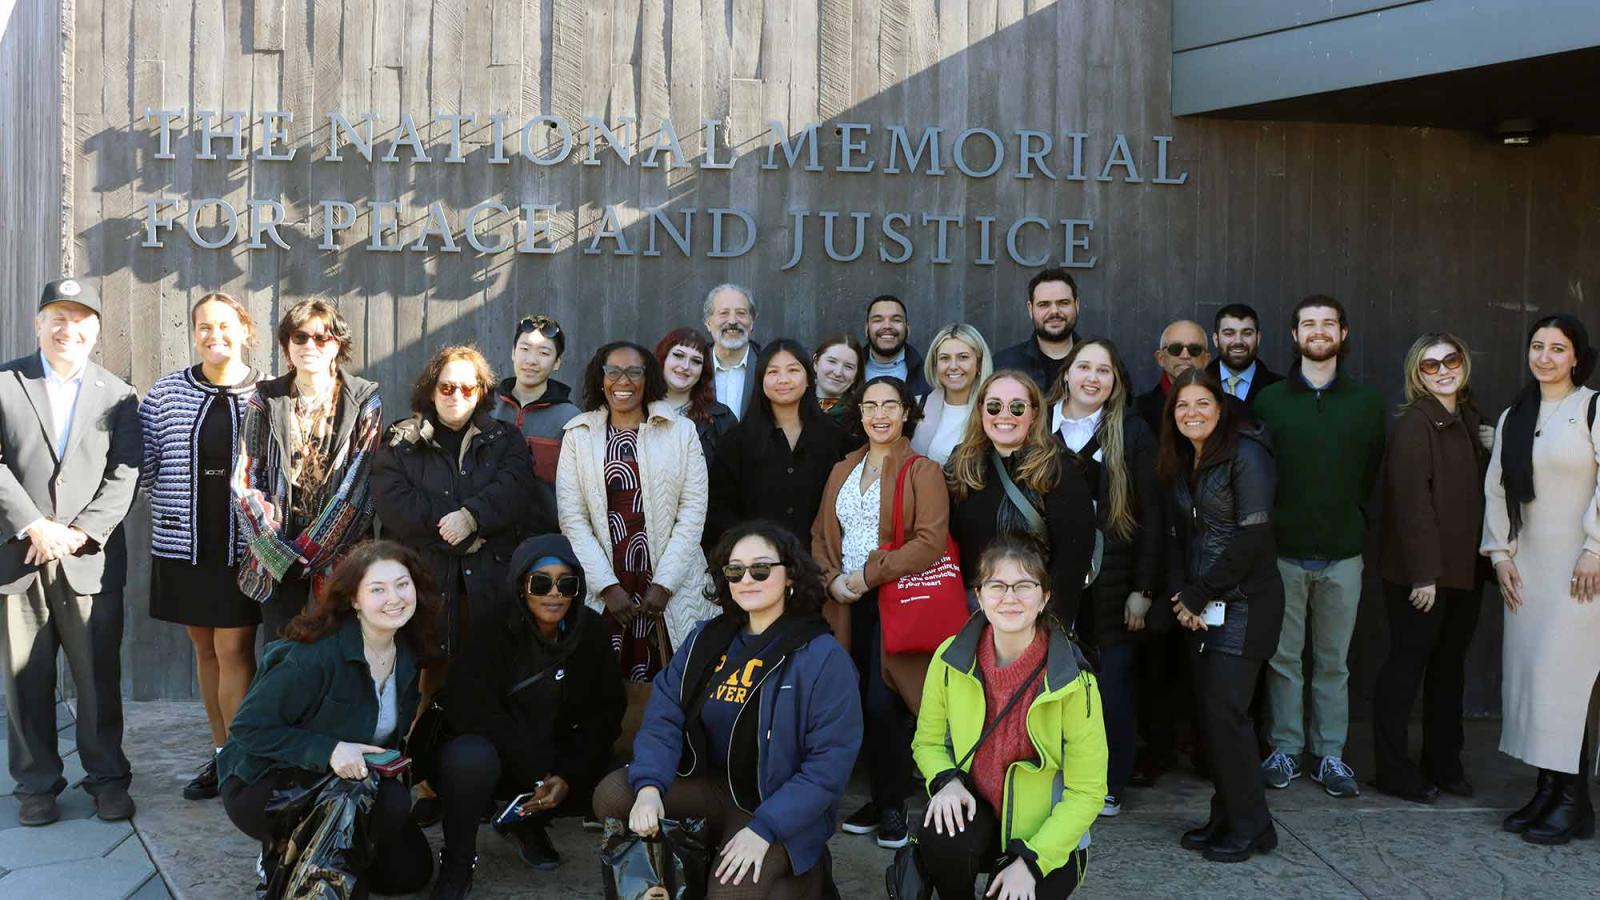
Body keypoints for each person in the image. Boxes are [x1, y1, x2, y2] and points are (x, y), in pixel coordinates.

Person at [593, 520, 862, 899]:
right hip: (716, 787)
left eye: (761, 569)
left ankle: (805, 874)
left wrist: (764, 829)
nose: (747, 579)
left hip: (773, 801)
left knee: (730, 892)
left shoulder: (821, 657)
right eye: (735, 570)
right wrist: (651, 785)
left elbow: (828, 766)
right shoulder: (708, 639)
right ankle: (704, 857)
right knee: (616, 794)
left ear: (790, 577)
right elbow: (664, 714)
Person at [217, 541, 438, 895]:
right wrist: (330, 750)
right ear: (354, 600)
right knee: (382, 818)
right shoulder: (315, 656)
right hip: (265, 782)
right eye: (377, 589)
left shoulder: (408, 652)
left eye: (402, 584)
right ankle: (283, 855)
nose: (394, 598)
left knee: (410, 874)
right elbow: (248, 729)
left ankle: (312, 853)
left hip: (350, 783)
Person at [0, 278, 140, 827]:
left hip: (89, 558)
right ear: (38, 324)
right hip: (19, 555)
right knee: (24, 674)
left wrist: (78, 532)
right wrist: (34, 524)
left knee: (97, 676)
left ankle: (107, 778)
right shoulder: (6, 383)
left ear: (95, 330)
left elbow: (126, 472)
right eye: (57, 316)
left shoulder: (119, 393)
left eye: (80, 319)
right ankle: (36, 783)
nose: (68, 328)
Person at [430, 533, 624, 896]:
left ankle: (528, 824)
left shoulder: (591, 632)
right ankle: (458, 859)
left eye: (566, 584)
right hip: (503, 757)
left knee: (615, 778)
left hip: (558, 759)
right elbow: (471, 708)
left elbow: (607, 712)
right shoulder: (492, 628)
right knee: (469, 758)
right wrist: (537, 769)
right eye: (541, 582)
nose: (554, 593)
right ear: (521, 586)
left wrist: (567, 774)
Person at [911, 539, 1106, 899]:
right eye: (996, 586)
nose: (1010, 597)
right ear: (979, 596)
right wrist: (946, 781)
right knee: (940, 832)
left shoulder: (1075, 680)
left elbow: (1088, 792)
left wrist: (1032, 862)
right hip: (977, 808)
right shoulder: (949, 656)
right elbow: (928, 742)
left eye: (1024, 586)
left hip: (1044, 830)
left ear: (1045, 596)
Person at [1254, 295, 1385, 799]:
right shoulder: (1271, 401)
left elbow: (1371, 470)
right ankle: (1285, 747)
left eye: (1329, 323)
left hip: (1343, 553)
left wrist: (1348, 518)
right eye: (1309, 323)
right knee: (1284, 659)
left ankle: (1330, 754)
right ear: (1295, 335)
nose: (1319, 331)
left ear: (1343, 333)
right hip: (1283, 553)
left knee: (1334, 661)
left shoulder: (1366, 402)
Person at [812, 376, 949, 849]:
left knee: (883, 703)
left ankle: (893, 806)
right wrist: (830, 578)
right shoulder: (841, 469)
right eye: (870, 406)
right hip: (846, 603)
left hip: (897, 600)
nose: (880, 414)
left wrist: (868, 576)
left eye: (890, 404)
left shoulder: (922, 471)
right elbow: (820, 534)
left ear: (906, 412)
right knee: (854, 703)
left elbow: (930, 543)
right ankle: (876, 797)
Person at [139, 292, 262, 802]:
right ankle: (219, 754)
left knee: (234, 647)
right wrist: (174, 502)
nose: (215, 336)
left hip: (240, 544)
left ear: (245, 329)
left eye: (225, 325)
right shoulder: (167, 392)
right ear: (194, 333)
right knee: (203, 647)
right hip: (183, 540)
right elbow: (146, 464)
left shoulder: (267, 394)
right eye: (204, 327)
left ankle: (242, 763)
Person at [1158, 369, 1285, 863]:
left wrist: (1197, 593)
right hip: (1200, 605)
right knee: (1213, 717)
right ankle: (1227, 815)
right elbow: (1179, 537)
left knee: (1228, 715)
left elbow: (1252, 537)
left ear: (1222, 406)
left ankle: (1254, 827)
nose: (1192, 413)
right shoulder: (1185, 460)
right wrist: (1183, 597)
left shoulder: (1248, 454)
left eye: (1202, 403)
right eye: (1182, 406)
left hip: (1246, 603)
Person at [1483, 314, 1600, 845]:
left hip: (1580, 572)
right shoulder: (1515, 414)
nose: (1546, 356)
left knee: (1567, 685)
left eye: (1558, 348)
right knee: (1535, 683)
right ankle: (1548, 790)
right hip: (1528, 569)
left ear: (1576, 356)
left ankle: (1575, 801)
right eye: (1537, 346)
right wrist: (1500, 555)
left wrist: (1596, 548)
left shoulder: (1593, 408)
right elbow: (1496, 490)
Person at [1371, 334, 1490, 804]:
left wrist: (1495, 444)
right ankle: (1393, 770)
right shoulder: (1415, 425)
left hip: (1466, 572)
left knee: (1449, 670)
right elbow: (1410, 503)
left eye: (1451, 359)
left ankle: (1444, 762)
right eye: (1429, 365)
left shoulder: (1473, 417)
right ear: (1416, 375)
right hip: (1422, 577)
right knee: (1406, 669)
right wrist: (1425, 574)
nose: (1442, 370)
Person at [1048, 339, 1164, 816]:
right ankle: (1053, 780)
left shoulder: (1131, 431)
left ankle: (1109, 784)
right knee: (1052, 685)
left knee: (1111, 689)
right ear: (1067, 374)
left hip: (1114, 583)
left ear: (1116, 382)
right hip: (1052, 581)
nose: (1092, 378)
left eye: (1104, 371)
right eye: (1083, 367)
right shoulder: (1039, 423)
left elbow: (1152, 517)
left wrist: (1143, 589)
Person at [556, 342, 718, 679]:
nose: (623, 381)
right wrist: (606, 586)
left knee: (678, 684)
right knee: (599, 684)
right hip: (606, 584)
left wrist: (664, 584)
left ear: (649, 379)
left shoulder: (681, 431)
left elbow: (692, 512)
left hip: (667, 584)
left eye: (634, 372)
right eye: (613, 371)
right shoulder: (578, 435)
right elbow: (572, 519)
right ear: (600, 379)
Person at [373, 345, 542, 663]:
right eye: (447, 387)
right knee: (419, 688)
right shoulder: (401, 441)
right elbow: (394, 504)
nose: (456, 395)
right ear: (432, 389)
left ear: (481, 392)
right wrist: (459, 532)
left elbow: (516, 489)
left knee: (483, 686)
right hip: (420, 588)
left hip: (489, 590)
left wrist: (472, 515)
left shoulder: (506, 439)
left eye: (467, 388)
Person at [234, 297, 384, 638]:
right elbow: (246, 478)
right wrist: (275, 550)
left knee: (341, 652)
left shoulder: (364, 401)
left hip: (343, 552)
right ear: (287, 344)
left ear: (338, 344)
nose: (310, 345)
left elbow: (359, 486)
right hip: (276, 549)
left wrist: (310, 551)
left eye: (322, 337)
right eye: (300, 337)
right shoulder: (265, 399)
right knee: (280, 652)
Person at [945, 371, 1096, 626]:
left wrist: (1051, 626)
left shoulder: (1058, 468)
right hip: (975, 611)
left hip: (1035, 613)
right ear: (981, 410)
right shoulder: (962, 465)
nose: (1004, 415)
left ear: (1034, 413)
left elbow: (1073, 558)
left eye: (1017, 407)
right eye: (994, 406)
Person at [707, 340, 852, 550]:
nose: (783, 380)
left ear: (809, 379)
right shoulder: (736, 442)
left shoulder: (836, 439)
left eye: (793, 370)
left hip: (822, 566)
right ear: (761, 380)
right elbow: (719, 510)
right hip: (758, 566)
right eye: (773, 372)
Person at [492, 315, 580, 520]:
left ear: (557, 362)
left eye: (544, 352)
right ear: (513, 353)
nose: (531, 360)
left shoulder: (572, 420)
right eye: (524, 349)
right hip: (485, 528)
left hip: (542, 533)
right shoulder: (484, 407)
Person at [911, 323, 993, 465]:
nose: (953, 366)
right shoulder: (917, 406)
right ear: (935, 365)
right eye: (945, 358)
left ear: (979, 363)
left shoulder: (995, 410)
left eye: (963, 357)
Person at [657, 327, 737, 460]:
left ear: (702, 371)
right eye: (678, 355)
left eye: (696, 361)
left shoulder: (722, 418)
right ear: (663, 358)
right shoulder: (638, 408)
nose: (685, 366)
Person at [993, 269, 1080, 389]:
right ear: (1030, 309)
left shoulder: (1098, 361)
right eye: (1044, 304)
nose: (1054, 311)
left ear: (1077, 305)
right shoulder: (1003, 364)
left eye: (1063, 303)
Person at [1133, 319, 1211, 435]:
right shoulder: (1138, 410)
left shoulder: (1225, 406)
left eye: (1194, 349)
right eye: (1175, 349)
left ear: (1206, 359)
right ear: (1160, 358)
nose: (1185, 356)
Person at [1205, 304, 1282, 403]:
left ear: (1258, 339)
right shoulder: (1196, 386)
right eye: (1229, 333)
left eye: (1247, 333)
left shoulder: (1280, 389)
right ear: (1216, 340)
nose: (1238, 341)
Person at [704, 284, 760, 419]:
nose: (733, 321)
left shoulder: (768, 367)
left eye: (741, 313)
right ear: (708, 322)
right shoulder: (693, 369)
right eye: (723, 313)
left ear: (752, 322)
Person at [861, 295, 930, 395]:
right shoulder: (850, 372)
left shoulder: (928, 375)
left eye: (896, 320)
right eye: (878, 320)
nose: (887, 326)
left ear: (908, 328)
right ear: (866, 328)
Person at [812, 332, 865, 416]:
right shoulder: (793, 404)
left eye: (848, 367)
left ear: (856, 375)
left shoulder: (861, 415)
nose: (838, 373)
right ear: (816, 362)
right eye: (832, 361)